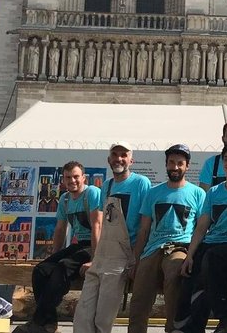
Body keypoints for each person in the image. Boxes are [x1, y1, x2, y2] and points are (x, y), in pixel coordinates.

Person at [174, 141, 227, 333]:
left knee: (209, 265)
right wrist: (189, 255)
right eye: (226, 159)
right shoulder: (213, 192)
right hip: (210, 245)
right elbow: (202, 227)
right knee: (190, 272)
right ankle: (185, 324)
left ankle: (224, 321)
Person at [14, 161, 102, 333]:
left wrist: (95, 260)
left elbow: (98, 226)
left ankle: (38, 321)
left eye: (76, 177)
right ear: (63, 180)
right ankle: (49, 323)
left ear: (83, 177)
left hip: (96, 244)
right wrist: (53, 257)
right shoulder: (65, 199)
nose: (73, 181)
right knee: (41, 270)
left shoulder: (92, 193)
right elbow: (61, 229)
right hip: (78, 246)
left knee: (63, 267)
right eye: (68, 177)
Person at [127, 144, 206, 333]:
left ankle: (174, 329)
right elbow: (144, 229)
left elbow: (201, 229)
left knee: (174, 276)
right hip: (152, 249)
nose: (175, 167)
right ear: (166, 164)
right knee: (139, 294)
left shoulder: (198, 194)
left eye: (180, 163)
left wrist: (192, 256)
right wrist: (135, 260)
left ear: (187, 166)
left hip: (180, 248)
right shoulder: (153, 193)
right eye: (172, 162)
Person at [73, 142, 151, 333]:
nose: (119, 159)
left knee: (103, 319)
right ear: (109, 160)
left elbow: (144, 225)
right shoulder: (106, 186)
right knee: (82, 315)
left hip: (123, 256)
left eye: (123, 155)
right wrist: (95, 257)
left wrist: (136, 258)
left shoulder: (141, 183)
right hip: (102, 256)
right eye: (115, 155)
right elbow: (100, 224)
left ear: (131, 160)